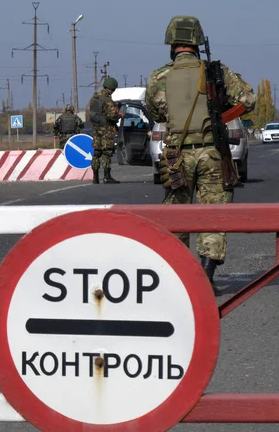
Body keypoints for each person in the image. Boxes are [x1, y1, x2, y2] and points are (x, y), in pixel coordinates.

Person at [145, 16, 256, 296]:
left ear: (172, 43)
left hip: (176, 157)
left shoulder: (159, 77)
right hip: (211, 154)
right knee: (213, 213)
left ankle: (180, 275)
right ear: (198, 42)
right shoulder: (216, 72)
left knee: (177, 213)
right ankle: (206, 274)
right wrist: (220, 113)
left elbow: (156, 112)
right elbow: (249, 100)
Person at [88, 77, 124, 184]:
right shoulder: (107, 100)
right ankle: (107, 177)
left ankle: (95, 177)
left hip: (96, 128)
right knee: (107, 152)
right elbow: (112, 116)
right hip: (106, 129)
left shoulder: (94, 98)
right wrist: (119, 115)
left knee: (96, 153)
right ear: (111, 88)